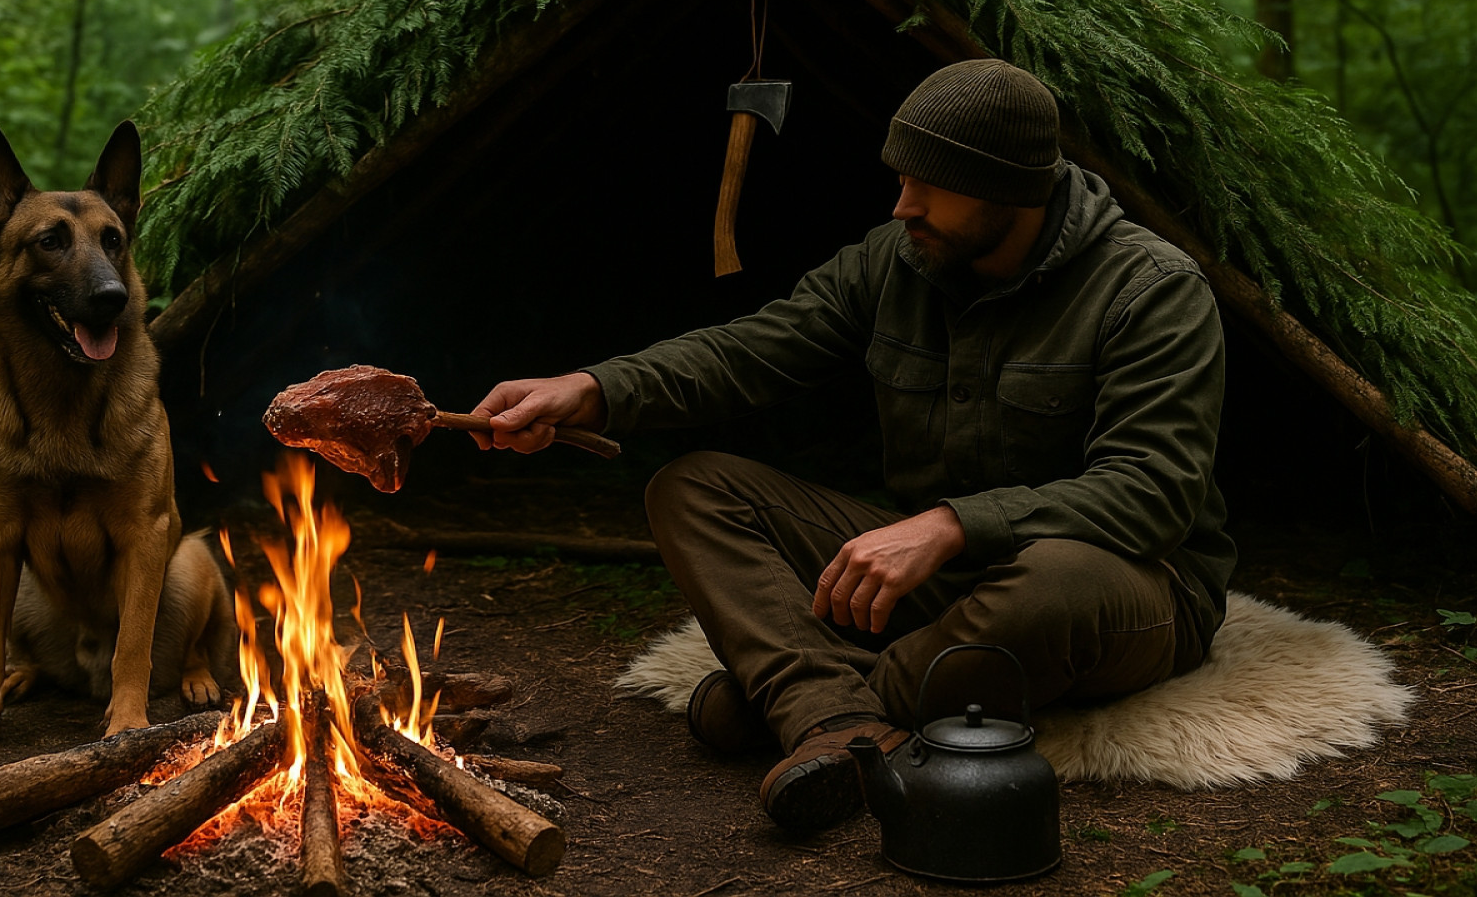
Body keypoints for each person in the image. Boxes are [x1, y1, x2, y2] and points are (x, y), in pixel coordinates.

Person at [467, 59, 1235, 832]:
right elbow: (751, 350)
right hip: (949, 591)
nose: (902, 206)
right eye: (900, 179)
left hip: (1126, 589)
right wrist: (595, 388)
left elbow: (1152, 490)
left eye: (929, 186)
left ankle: (799, 702)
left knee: (1051, 581)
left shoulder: (1153, 289)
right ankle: (842, 717)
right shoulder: (896, 259)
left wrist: (949, 525)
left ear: (1008, 189)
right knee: (694, 487)